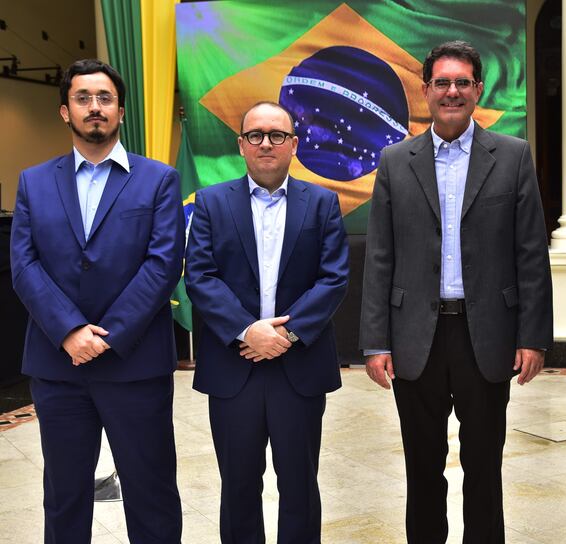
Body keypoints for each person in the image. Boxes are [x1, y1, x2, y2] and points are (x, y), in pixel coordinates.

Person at [359, 40, 553, 542]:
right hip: (414, 337)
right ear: (425, 90)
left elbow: (530, 253)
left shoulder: (512, 156)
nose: (452, 92)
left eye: (462, 82)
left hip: (485, 335)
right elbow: (380, 257)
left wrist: (533, 337)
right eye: (442, 82)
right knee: (422, 468)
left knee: (484, 467)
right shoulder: (395, 161)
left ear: (478, 90)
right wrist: (376, 342)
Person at [10, 59, 184, 543]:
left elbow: (163, 264)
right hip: (59, 366)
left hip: (135, 364)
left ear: (121, 112)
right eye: (83, 98)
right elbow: (24, 264)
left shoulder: (159, 180)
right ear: (65, 111)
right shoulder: (33, 182)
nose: (94, 107)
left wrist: (107, 336)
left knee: (151, 494)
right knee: (64, 497)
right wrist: (69, 330)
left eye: (105, 98)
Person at [184, 101, 349, 543]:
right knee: (238, 487)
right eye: (255, 135)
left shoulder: (322, 203)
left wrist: (286, 334)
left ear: (293, 145)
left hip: (299, 368)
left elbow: (333, 278)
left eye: (277, 135)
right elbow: (200, 276)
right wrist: (248, 330)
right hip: (233, 367)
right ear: (241, 145)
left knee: (300, 486)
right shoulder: (212, 202)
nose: (266, 144)